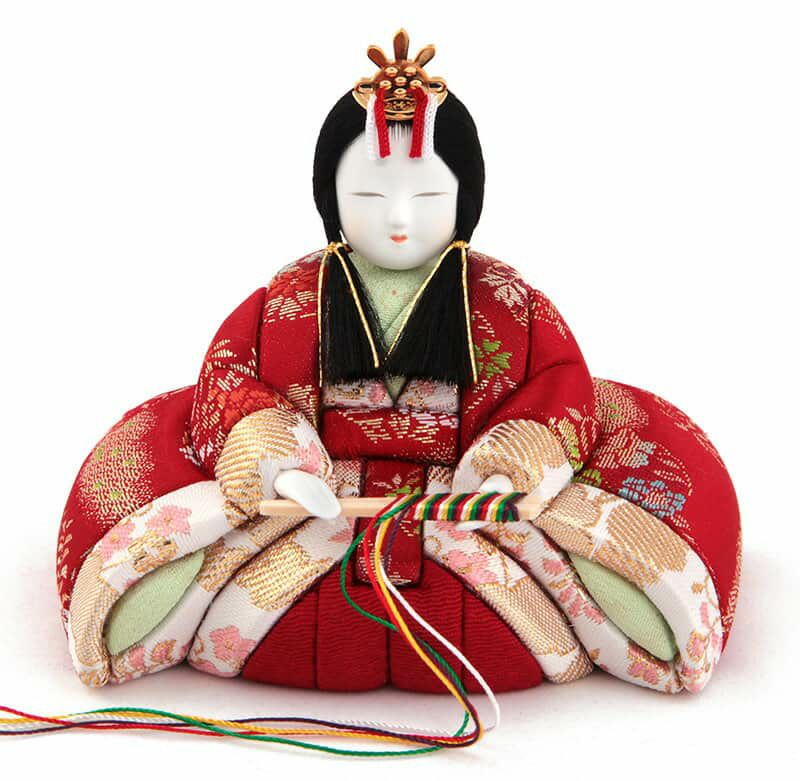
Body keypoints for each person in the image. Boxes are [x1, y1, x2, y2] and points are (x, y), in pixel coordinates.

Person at [59, 30, 740, 695]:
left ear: (465, 199)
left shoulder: (510, 303)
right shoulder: (287, 300)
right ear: (329, 198)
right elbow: (232, 380)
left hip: (470, 504)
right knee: (160, 568)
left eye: (428, 198)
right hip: (311, 497)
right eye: (368, 197)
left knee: (619, 575)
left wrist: (511, 470)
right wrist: (276, 462)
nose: (398, 220)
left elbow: (557, 390)